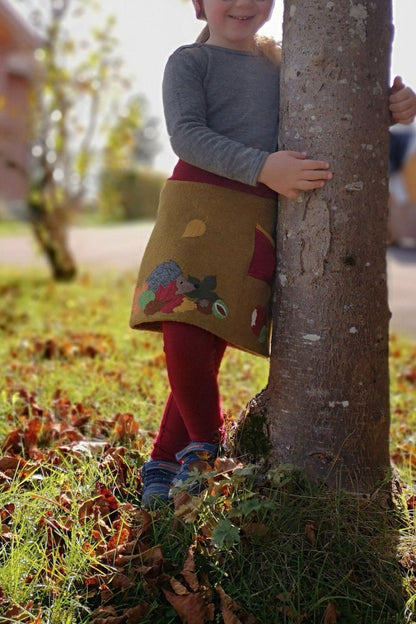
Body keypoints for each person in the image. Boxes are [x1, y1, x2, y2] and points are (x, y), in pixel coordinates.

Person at [130, 0, 416, 508]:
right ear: (197, 2)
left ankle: (164, 456)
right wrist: (263, 167)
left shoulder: (287, 63)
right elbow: (187, 135)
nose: (242, 2)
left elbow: (335, 109)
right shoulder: (190, 62)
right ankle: (205, 449)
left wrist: (391, 106)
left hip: (255, 222)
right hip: (196, 212)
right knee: (183, 328)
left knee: (211, 332)